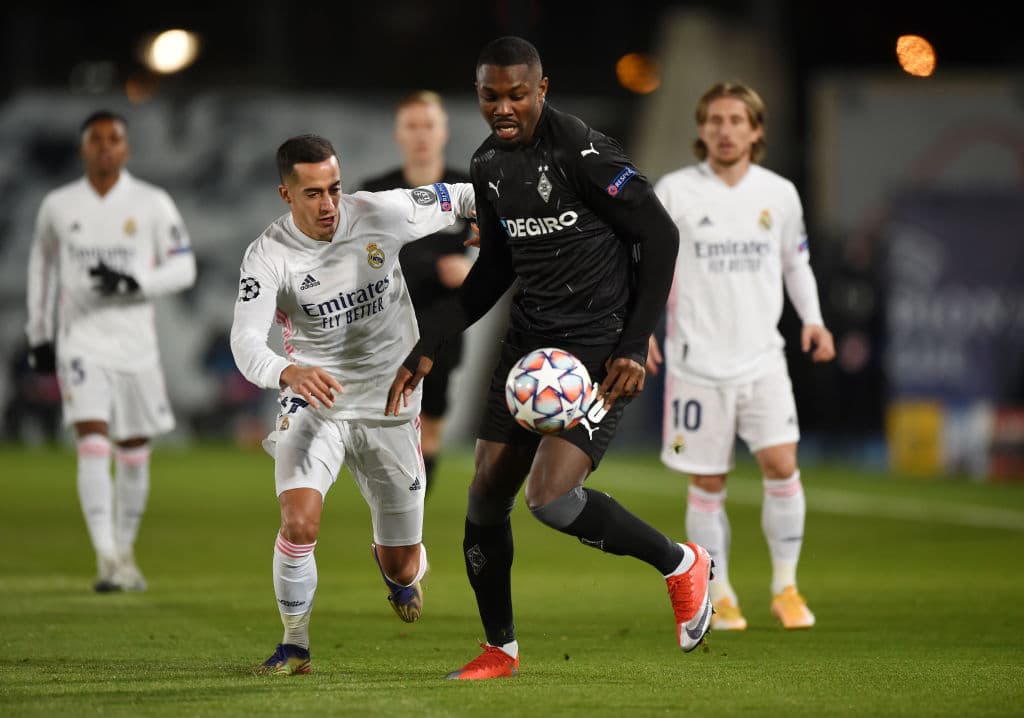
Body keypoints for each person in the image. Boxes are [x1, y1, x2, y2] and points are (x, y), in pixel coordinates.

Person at [387, 36, 713, 680]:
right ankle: (498, 650)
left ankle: (681, 564)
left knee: (553, 500)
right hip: (529, 348)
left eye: (515, 94)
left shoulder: (583, 152)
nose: (502, 107)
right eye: (489, 96)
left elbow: (660, 234)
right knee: (484, 498)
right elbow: (497, 268)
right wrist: (433, 338)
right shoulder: (487, 165)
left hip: (598, 348)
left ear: (541, 89)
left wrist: (633, 343)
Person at [230, 134, 475, 676]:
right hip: (315, 397)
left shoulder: (380, 212)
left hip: (391, 402)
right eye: (313, 193)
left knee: (403, 562)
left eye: (335, 189)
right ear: (285, 194)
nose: (328, 205)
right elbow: (246, 341)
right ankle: (294, 645)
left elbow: (461, 197)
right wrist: (286, 370)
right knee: (299, 523)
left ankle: (398, 573)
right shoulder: (268, 255)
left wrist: (492, 217)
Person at [651, 82, 835, 631]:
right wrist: (638, 331)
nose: (724, 130)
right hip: (695, 366)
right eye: (714, 120)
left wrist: (815, 320)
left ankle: (786, 587)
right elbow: (650, 267)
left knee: (783, 465)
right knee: (708, 483)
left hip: (763, 360)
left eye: (735, 120)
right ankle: (721, 591)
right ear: (701, 129)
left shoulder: (779, 194)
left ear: (756, 130)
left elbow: (795, 262)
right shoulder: (675, 191)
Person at [24, 110, 197, 592]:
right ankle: (104, 555)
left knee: (135, 448)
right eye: (96, 139)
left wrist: (135, 280)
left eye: (114, 139)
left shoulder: (152, 203)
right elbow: (41, 271)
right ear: (83, 149)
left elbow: (184, 269)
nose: (105, 146)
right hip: (81, 341)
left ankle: (124, 552)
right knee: (92, 438)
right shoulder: (59, 205)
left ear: (126, 148)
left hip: (136, 345)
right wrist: (38, 333)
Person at [360, 91, 475, 496]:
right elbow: (359, 258)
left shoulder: (466, 191)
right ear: (399, 134)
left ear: (443, 131)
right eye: (413, 125)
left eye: (429, 125)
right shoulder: (376, 193)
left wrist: (470, 272)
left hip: (444, 325)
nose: (421, 134)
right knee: (386, 425)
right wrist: (422, 266)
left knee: (430, 424)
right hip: (387, 327)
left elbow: (504, 254)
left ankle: (414, 515)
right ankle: (390, 509)